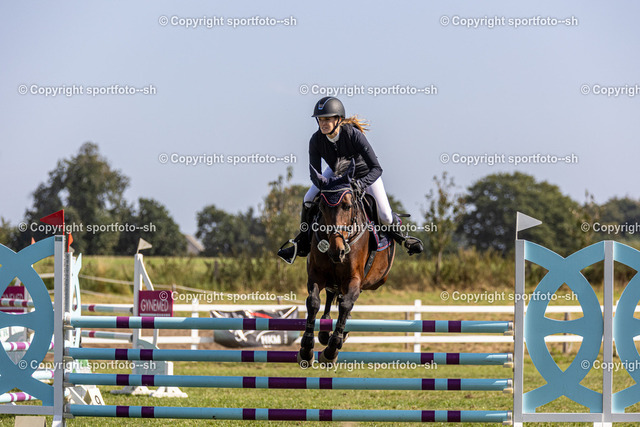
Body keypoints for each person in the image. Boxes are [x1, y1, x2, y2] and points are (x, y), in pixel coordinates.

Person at [277, 96, 423, 263]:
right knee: (308, 198)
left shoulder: (353, 135)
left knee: (385, 216)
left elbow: (377, 168)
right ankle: (301, 243)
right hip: (336, 172)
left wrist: (360, 184)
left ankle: (403, 239)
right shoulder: (316, 140)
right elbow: (315, 174)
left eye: (327, 119)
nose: (323, 123)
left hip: (365, 174)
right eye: (320, 119)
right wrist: (325, 186)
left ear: (339, 120)